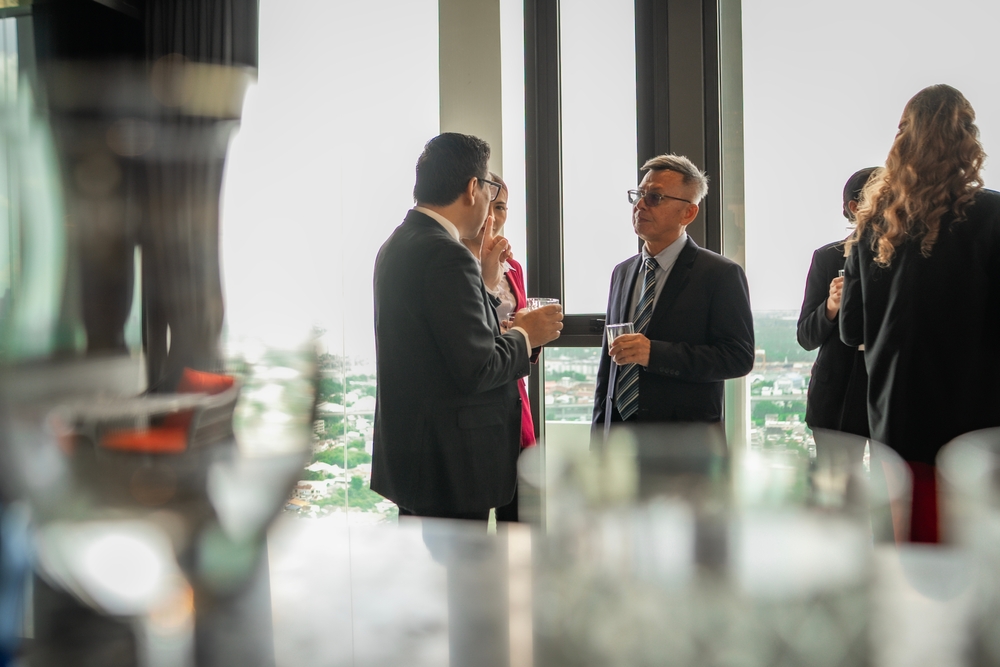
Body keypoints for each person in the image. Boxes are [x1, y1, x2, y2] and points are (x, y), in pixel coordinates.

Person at [371, 133, 563, 520]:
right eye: (490, 188)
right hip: (448, 463)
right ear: (473, 188)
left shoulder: (398, 243)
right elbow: (477, 367)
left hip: (414, 454)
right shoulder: (447, 254)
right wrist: (526, 335)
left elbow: (445, 336)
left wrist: (489, 293)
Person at [840, 84, 1000, 542]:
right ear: (968, 139)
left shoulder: (873, 222)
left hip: (898, 423)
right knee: (975, 554)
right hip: (978, 429)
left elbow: (851, 330)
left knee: (909, 551)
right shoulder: (993, 214)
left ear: (903, 138)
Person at [592, 154, 755, 437]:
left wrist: (654, 353)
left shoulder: (720, 274)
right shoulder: (622, 272)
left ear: (688, 213)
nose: (640, 205)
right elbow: (608, 366)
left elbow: (738, 357)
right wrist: (599, 439)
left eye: (654, 197)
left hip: (683, 442)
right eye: (638, 195)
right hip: (618, 436)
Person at [458, 173, 535, 522]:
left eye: (501, 207)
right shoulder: (453, 264)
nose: (494, 215)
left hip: (512, 395)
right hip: (471, 402)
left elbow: (525, 336)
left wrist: (528, 335)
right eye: (489, 204)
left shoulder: (512, 267)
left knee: (518, 518)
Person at [797, 168, 875, 457]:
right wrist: (830, 306)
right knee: (837, 482)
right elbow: (806, 337)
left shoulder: (911, 257)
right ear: (854, 207)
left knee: (893, 482)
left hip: (892, 391)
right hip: (837, 393)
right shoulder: (828, 257)